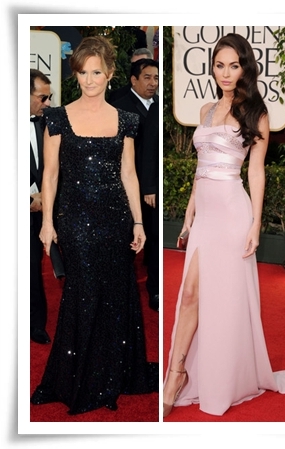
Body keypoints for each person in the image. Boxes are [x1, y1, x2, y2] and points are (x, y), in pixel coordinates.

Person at [163, 33, 285, 417]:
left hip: (233, 211)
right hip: (205, 213)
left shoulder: (256, 113)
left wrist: (255, 224)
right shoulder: (205, 109)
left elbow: (256, 172)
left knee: (223, 300)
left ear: (245, 68)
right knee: (189, 294)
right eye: (219, 65)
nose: (225, 72)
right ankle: (177, 373)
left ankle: (216, 377)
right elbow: (201, 167)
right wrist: (190, 210)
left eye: (233, 65)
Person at [30, 35, 158, 415]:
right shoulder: (57, 117)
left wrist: (138, 221)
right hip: (75, 221)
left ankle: (112, 374)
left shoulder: (126, 120)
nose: (89, 80)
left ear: (110, 73)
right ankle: (82, 378)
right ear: (76, 75)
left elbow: (129, 174)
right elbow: (50, 175)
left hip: (116, 220)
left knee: (116, 295)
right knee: (84, 295)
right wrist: (47, 223)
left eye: (96, 72)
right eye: (83, 73)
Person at [112, 58, 160, 312]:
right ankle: (118, 287)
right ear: (134, 80)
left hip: (148, 187)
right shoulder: (118, 107)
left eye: (156, 78)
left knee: (152, 237)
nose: (153, 83)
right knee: (125, 240)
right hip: (124, 186)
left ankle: (154, 289)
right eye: (147, 78)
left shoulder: (159, 106)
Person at [30, 69, 52, 344]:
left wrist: (44, 197)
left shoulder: (44, 124)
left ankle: (35, 324)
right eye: (42, 97)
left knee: (33, 267)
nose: (47, 103)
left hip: (37, 213)